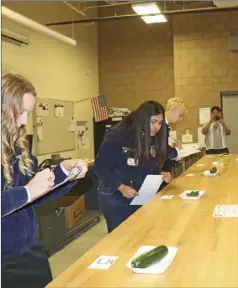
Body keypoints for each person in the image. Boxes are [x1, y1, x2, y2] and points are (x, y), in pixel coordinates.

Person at [1, 73, 88, 288]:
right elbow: (28, 193)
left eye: (28, 113)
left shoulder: (18, 146)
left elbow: (35, 193)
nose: (24, 121)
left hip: (29, 250)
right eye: (20, 112)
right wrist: (28, 192)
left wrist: (63, 173)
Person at [93, 101, 172, 233]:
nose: (156, 127)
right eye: (153, 122)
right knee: (121, 238)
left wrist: (162, 173)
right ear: (143, 118)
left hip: (139, 195)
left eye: (159, 123)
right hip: (115, 196)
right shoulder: (118, 134)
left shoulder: (152, 137)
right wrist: (121, 187)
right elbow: (100, 167)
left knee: (139, 234)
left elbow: (150, 163)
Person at [162, 97, 188, 174]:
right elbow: (163, 152)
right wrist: (176, 150)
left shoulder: (166, 126)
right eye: (180, 115)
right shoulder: (161, 126)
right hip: (161, 172)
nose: (180, 119)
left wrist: (173, 148)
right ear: (173, 109)